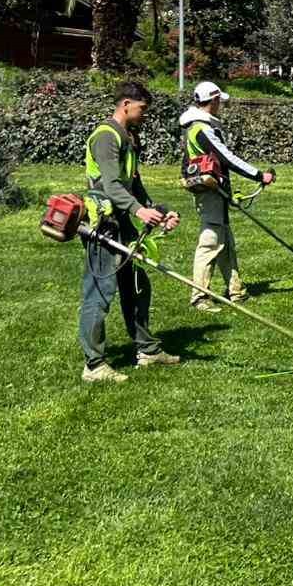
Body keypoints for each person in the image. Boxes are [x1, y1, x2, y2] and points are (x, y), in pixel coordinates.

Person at [80, 81, 181, 384]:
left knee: (137, 285)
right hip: (102, 226)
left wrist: (157, 212)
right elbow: (110, 186)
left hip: (121, 222)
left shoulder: (128, 138)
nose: (144, 115)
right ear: (126, 104)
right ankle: (94, 365)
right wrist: (139, 211)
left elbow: (132, 186)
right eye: (142, 109)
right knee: (99, 294)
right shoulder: (106, 137)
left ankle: (147, 350)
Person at [180, 80, 277, 312]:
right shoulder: (201, 129)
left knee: (225, 242)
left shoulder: (197, 127)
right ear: (212, 101)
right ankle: (199, 296)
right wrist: (258, 175)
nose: (219, 105)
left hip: (214, 189)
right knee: (210, 242)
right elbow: (227, 158)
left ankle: (236, 291)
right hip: (210, 192)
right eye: (218, 101)